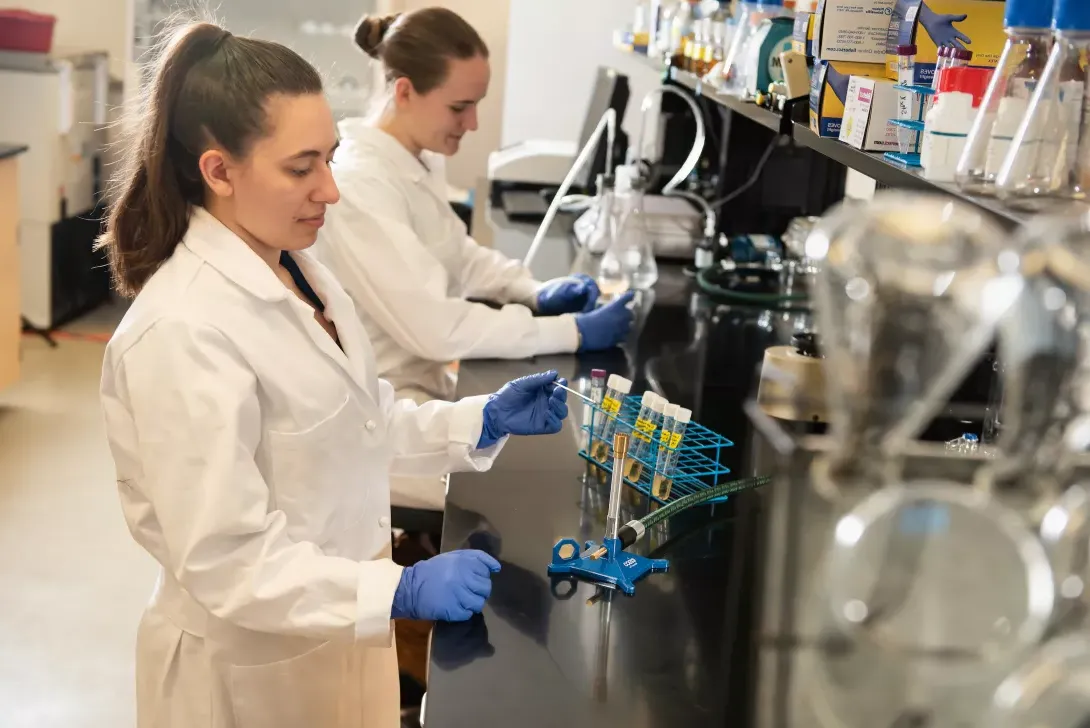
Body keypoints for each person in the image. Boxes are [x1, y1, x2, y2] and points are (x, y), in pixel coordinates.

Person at [97, 20, 569, 728]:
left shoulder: (300, 270)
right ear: (219, 171)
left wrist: (480, 417)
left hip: (333, 644)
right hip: (244, 681)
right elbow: (227, 559)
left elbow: (356, 423)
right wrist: (398, 592)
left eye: (332, 158)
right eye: (301, 167)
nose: (331, 190)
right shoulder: (183, 333)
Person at [315, 7, 636, 412]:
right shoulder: (360, 185)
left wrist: (531, 291)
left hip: (426, 386)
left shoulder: (416, 156)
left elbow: (457, 253)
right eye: (459, 107)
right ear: (405, 92)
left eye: (477, 104)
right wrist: (571, 330)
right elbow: (436, 327)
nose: (473, 122)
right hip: (387, 412)